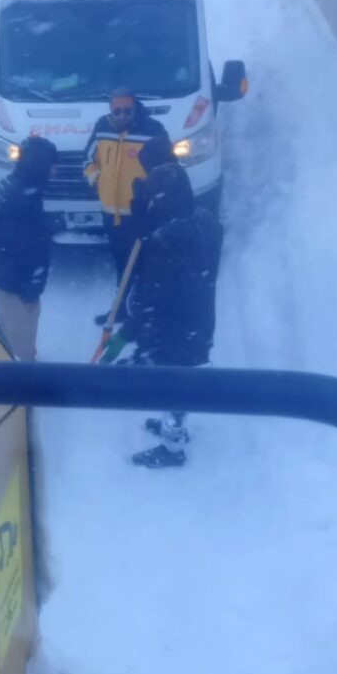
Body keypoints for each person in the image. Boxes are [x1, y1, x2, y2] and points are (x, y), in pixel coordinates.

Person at [116, 162, 223, 469]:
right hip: (198, 321)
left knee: (173, 383)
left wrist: (136, 328)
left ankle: (173, 448)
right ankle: (173, 427)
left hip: (173, 327)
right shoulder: (206, 221)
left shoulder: (167, 241)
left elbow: (152, 295)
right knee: (183, 376)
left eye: (153, 196)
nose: (151, 202)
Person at [83, 88, 171, 282]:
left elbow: (169, 169)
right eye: (117, 111)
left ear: (135, 108)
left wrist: (152, 189)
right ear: (110, 109)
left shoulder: (153, 130)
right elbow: (88, 158)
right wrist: (95, 175)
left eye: (127, 111)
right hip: (111, 214)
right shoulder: (102, 127)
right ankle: (122, 304)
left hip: (141, 213)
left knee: (144, 264)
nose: (122, 116)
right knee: (121, 262)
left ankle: (142, 304)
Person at [0, 135, 57, 362]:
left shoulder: (17, 185)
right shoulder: (22, 199)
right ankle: (19, 390)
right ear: (40, 165)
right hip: (16, 284)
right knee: (19, 348)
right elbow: (24, 249)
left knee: (7, 332)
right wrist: (30, 289)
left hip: (4, 278)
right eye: (52, 165)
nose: (55, 171)